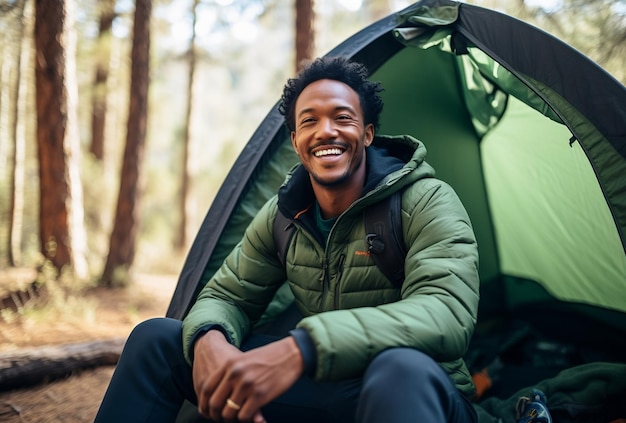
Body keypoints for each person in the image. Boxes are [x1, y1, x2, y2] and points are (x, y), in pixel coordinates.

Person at [95, 56, 480, 423]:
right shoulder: (284, 216)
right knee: (157, 339)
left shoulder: (425, 200)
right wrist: (209, 337)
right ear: (296, 141)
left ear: (367, 135)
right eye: (310, 121)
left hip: (417, 396)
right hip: (324, 392)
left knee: (399, 369)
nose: (326, 130)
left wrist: (303, 348)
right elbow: (226, 296)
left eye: (342, 118)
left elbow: (447, 312)